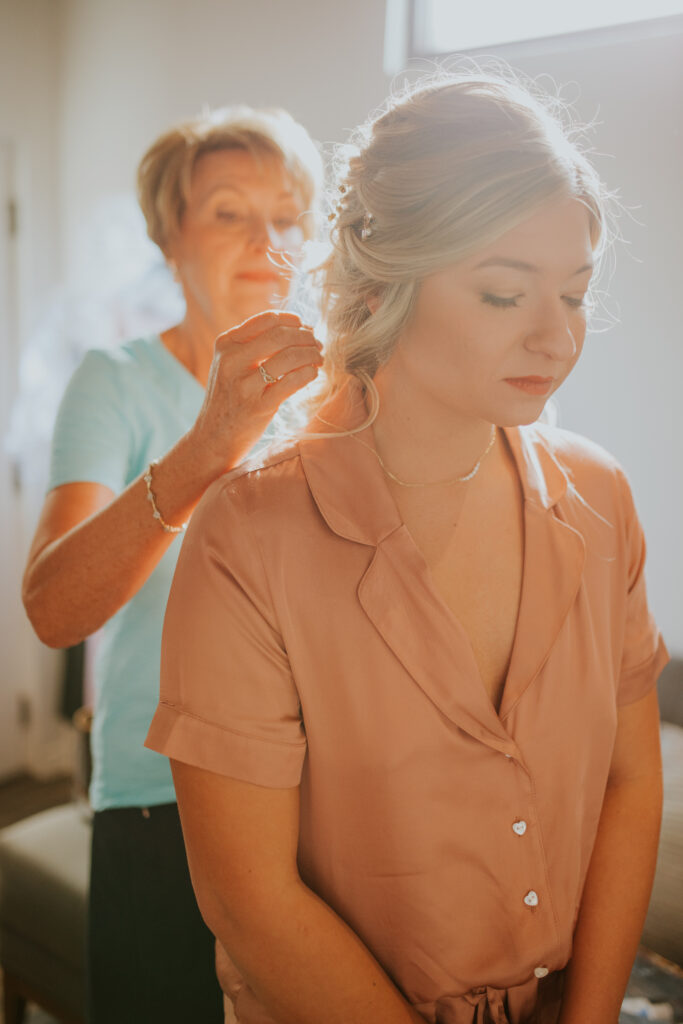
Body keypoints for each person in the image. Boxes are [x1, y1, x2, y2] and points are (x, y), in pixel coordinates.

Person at [146, 71, 669, 1024]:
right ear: (387, 280)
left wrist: (589, 1014)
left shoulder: (599, 499)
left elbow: (632, 782)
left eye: (575, 294)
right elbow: (248, 900)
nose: (555, 337)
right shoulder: (250, 538)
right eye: (505, 294)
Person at [22, 105, 323, 1024]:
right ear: (167, 235)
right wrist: (208, 446)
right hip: (161, 799)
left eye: (286, 213)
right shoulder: (115, 380)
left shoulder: (337, 393)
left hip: (320, 797)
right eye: (229, 210)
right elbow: (53, 608)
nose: (265, 239)